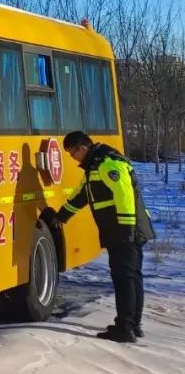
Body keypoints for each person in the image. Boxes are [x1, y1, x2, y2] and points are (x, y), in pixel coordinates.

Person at [49, 131, 154, 343]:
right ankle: (133, 324)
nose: (73, 158)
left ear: (82, 147)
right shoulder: (95, 166)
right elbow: (82, 195)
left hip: (125, 231)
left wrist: (126, 230)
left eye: (72, 153)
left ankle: (125, 328)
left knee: (125, 279)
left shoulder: (107, 164)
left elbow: (123, 196)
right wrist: (61, 216)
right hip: (125, 230)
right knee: (132, 277)